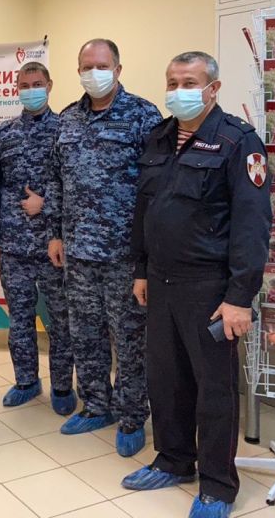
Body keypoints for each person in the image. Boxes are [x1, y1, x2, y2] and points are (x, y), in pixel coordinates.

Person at [122, 51, 271, 518]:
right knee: (165, 379)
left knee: (214, 389)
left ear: (213, 88)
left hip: (210, 287)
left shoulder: (238, 141)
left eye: (189, 82)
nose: (178, 90)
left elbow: (252, 225)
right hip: (161, 280)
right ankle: (173, 459)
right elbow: (145, 211)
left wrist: (239, 298)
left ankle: (218, 486)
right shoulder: (159, 137)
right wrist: (141, 268)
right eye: (172, 82)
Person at [45, 39, 162, 456]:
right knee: (85, 334)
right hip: (78, 252)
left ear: (117, 69)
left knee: (129, 341)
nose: (93, 72)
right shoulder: (67, 119)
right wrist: (55, 234)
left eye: (101, 65)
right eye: (86, 66)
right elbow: (55, 180)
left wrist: (147, 252)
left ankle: (132, 416)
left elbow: (156, 185)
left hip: (124, 255)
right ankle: (96, 405)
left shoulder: (143, 115)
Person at [0, 62, 75, 414]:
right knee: (20, 319)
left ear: (49, 85)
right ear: (16, 88)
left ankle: (62, 385)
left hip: (55, 244)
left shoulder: (66, 130)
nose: (31, 90)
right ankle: (26, 381)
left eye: (37, 83)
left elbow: (75, 183)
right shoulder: (3, 134)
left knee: (61, 320)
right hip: (14, 245)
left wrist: (46, 204)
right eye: (24, 85)